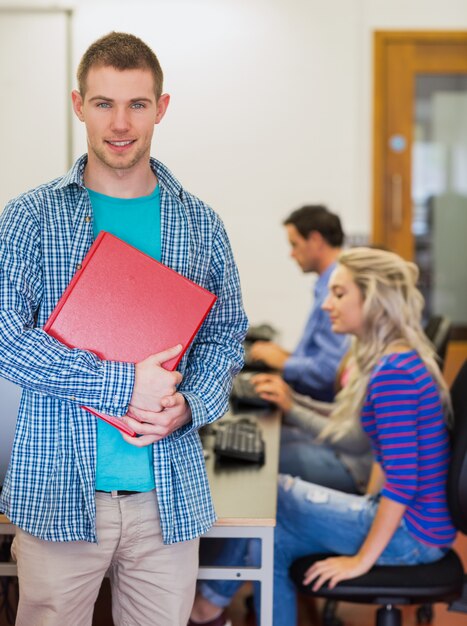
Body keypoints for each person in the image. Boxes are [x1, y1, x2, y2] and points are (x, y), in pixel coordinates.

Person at [0, 32, 247, 626]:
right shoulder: (29, 218)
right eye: (104, 102)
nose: (120, 123)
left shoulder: (200, 224)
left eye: (137, 104)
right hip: (57, 490)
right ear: (78, 104)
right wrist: (121, 386)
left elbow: (226, 333)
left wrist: (191, 402)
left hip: (166, 499)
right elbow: (8, 340)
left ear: (161, 108)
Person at [269, 247, 456, 625]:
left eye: (339, 294)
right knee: (274, 543)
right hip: (418, 528)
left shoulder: (395, 374)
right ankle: (214, 604)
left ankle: (208, 604)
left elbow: (402, 481)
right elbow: (384, 459)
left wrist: (360, 561)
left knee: (276, 492)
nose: (327, 305)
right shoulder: (395, 360)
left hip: (415, 537)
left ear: (374, 301)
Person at [249, 205, 349, 401]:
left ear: (315, 240)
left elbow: (331, 370)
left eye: (294, 244)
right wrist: (286, 355)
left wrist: (285, 364)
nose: (291, 254)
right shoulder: (327, 285)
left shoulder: (336, 290)